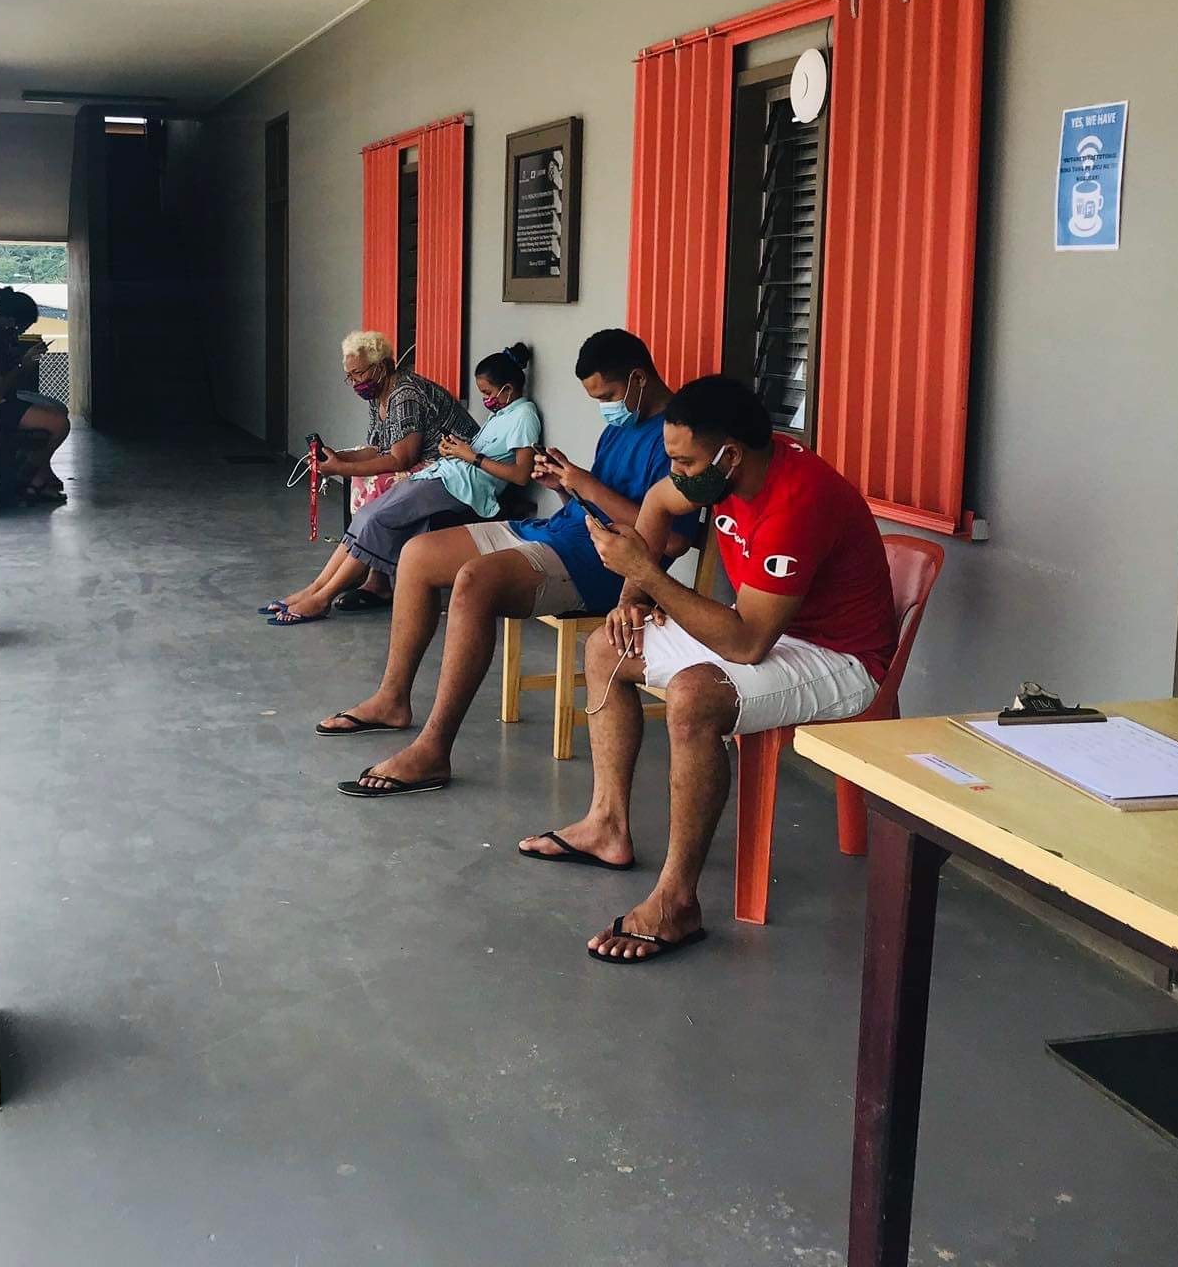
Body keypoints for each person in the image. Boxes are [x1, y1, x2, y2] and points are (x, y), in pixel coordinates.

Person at [517, 375, 897, 965]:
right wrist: (628, 604)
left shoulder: (798, 500)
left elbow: (746, 644)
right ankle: (607, 825)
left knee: (696, 695)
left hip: (841, 658)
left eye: (682, 459)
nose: (674, 470)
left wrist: (645, 575)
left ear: (729, 455)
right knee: (606, 648)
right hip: (768, 627)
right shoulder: (719, 473)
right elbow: (658, 503)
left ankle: (677, 901)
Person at [318, 328, 698, 793]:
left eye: (610, 395)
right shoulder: (621, 427)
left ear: (639, 379)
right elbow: (596, 500)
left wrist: (584, 484)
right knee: (417, 556)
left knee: (475, 580)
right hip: (560, 533)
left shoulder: (680, 440)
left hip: (603, 566)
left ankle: (434, 750)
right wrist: (562, 483)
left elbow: (673, 542)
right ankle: (392, 699)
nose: (606, 407)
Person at [267, 344, 542, 623]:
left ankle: (322, 599)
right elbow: (381, 448)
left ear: (507, 389)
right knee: (366, 515)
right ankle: (314, 588)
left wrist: (470, 455)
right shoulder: (502, 415)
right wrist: (455, 450)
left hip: (464, 487)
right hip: (444, 474)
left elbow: (520, 474)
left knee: (380, 520)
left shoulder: (524, 415)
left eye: (487, 393)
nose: (485, 400)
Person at [0, 291, 68, 503]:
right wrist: (24, 364)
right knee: (60, 424)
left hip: (6, 397)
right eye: (22, 328)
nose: (21, 332)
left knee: (58, 409)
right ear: (11, 320)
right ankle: (31, 477)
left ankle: (41, 473)